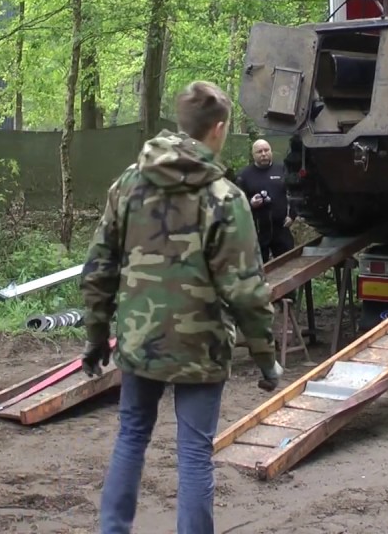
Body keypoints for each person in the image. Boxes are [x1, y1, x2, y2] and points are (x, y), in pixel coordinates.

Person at [79, 81, 281, 534]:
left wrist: (96, 338)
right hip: (201, 348)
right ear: (219, 129)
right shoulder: (225, 199)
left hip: (139, 340)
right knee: (193, 451)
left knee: (131, 435)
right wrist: (267, 360)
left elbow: (98, 269)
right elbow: (246, 290)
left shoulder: (128, 184)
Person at [234, 138, 294, 261]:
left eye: (266, 150)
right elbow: (237, 202)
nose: (263, 154)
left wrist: (292, 215)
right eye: (259, 151)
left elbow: (295, 193)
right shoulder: (244, 175)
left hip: (281, 227)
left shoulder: (282, 170)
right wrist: (251, 203)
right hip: (258, 230)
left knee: (289, 263)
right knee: (260, 267)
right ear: (253, 154)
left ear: (271, 151)